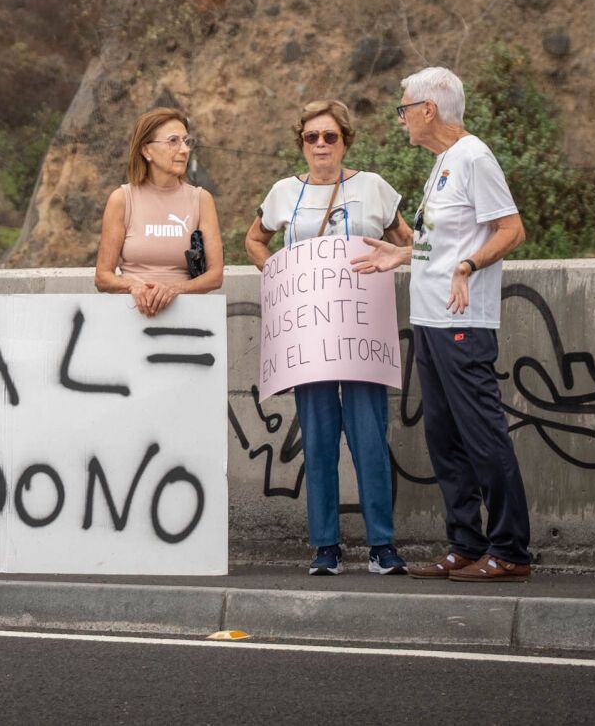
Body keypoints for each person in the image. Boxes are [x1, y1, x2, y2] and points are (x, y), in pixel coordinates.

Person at [356, 67, 531, 582]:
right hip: (429, 319)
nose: (401, 117)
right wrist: (403, 253)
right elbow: (446, 238)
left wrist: (470, 266)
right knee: (444, 438)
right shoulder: (443, 163)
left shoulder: (474, 157)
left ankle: (510, 550)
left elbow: (511, 229)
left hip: (463, 321)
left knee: (482, 435)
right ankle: (466, 543)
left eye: (404, 107)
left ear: (428, 110)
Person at [246, 99, 414, 578]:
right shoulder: (283, 192)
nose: (320, 145)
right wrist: (275, 272)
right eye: (311, 137)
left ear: (346, 140)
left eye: (330, 136)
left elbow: (408, 240)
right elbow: (254, 239)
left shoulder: (374, 187)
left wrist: (397, 260)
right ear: (301, 143)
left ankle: (382, 546)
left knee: (369, 441)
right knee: (318, 442)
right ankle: (325, 547)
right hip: (308, 335)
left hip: (362, 328)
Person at [93, 107, 223, 317]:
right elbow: (103, 277)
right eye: (173, 141)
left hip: (187, 319)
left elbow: (215, 276)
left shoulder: (201, 200)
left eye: (186, 141)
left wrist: (174, 288)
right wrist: (134, 287)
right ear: (146, 151)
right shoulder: (122, 199)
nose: (184, 150)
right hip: (131, 315)